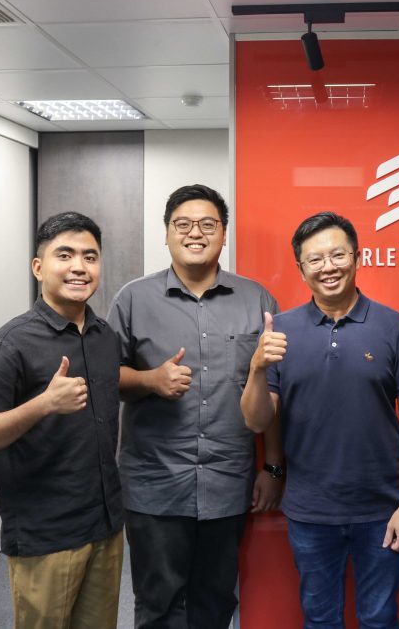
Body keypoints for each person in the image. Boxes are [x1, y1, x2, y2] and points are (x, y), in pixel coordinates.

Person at [107, 184, 283, 629]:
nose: (195, 233)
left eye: (208, 224)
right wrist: (150, 380)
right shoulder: (132, 299)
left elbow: (274, 389)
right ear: (167, 233)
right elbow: (107, 378)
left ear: (224, 233)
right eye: (182, 224)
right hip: (155, 483)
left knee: (214, 603)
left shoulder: (257, 300)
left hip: (227, 481)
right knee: (158, 605)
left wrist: (272, 466)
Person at [240, 211, 399, 629]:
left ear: (357, 257)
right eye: (315, 259)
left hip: (382, 507)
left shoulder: (394, 327)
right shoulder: (280, 330)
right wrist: (256, 367)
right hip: (310, 509)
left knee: (380, 618)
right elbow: (256, 421)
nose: (328, 267)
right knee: (320, 619)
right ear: (301, 267)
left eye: (338, 255)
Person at [0, 212, 124, 629]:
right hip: (46, 533)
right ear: (38, 267)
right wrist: (43, 404)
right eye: (64, 255)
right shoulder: (10, 343)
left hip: (105, 524)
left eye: (90, 257)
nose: (79, 267)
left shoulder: (104, 337)